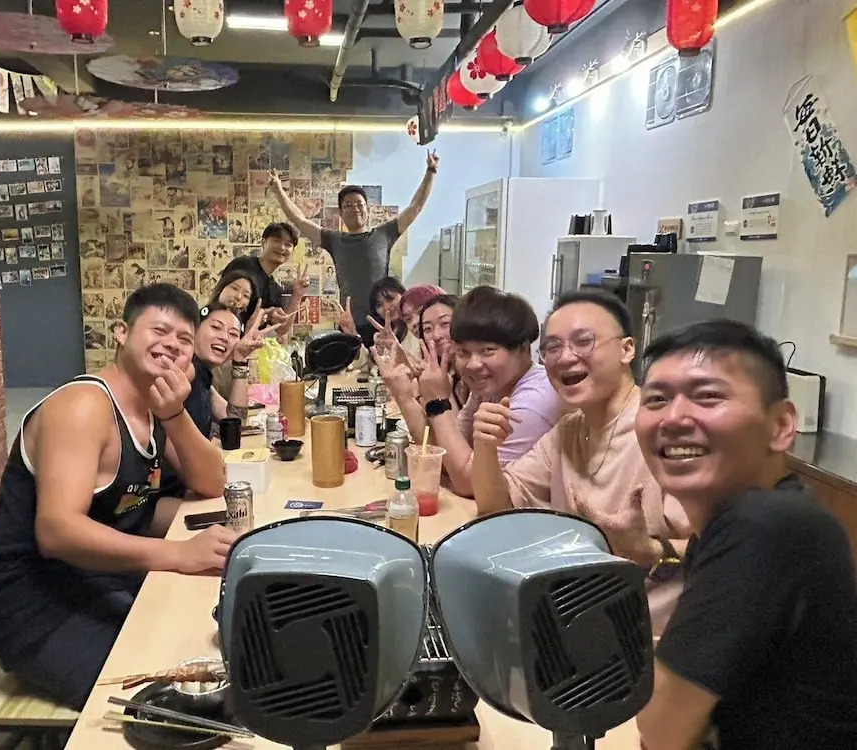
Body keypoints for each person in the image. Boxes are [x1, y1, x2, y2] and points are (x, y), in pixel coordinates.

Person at [0, 284, 235, 710]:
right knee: (176, 700)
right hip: (39, 607)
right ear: (121, 332)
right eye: (159, 330)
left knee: (210, 648)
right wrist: (177, 554)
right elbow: (57, 532)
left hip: (104, 581)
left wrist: (174, 413)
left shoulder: (154, 406)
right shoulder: (84, 406)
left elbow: (211, 482)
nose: (172, 344)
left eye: (184, 339)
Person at [633, 320, 857, 750]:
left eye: (708, 396)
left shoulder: (763, 522)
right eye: (656, 399)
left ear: (781, 425)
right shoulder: (754, 516)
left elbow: (662, 731)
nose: (674, 417)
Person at [471, 289, 690, 634]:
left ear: (626, 349)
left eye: (584, 341)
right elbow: (496, 506)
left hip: (651, 636)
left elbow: (721, 551)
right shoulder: (568, 431)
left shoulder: (664, 432)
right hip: (575, 623)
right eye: (552, 347)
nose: (565, 357)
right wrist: (485, 446)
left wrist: (650, 550)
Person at [380, 287, 559, 496]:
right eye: (463, 352)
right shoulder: (490, 386)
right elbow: (444, 455)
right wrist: (404, 395)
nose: (473, 364)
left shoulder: (532, 400)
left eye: (488, 350)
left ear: (523, 348)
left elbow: (470, 484)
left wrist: (438, 402)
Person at [268, 151, 439, 324]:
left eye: (359, 204)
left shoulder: (384, 234)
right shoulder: (333, 240)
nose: (355, 208)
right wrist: (278, 190)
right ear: (341, 213)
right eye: (348, 205)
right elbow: (299, 219)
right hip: (349, 323)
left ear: (367, 210)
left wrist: (431, 171)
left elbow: (415, 207)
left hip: (384, 322)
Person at [158, 302, 275, 499]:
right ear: (194, 329)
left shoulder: (202, 374)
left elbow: (235, 420)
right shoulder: (186, 371)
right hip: (170, 491)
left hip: (192, 483)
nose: (224, 337)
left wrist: (240, 359)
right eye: (215, 327)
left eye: (233, 334)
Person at [219, 222, 309, 326]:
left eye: (288, 245)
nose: (282, 248)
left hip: (248, 337)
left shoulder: (275, 290)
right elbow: (222, 304)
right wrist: (264, 315)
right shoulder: (242, 265)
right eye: (276, 241)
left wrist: (297, 295)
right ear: (263, 242)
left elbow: (282, 328)